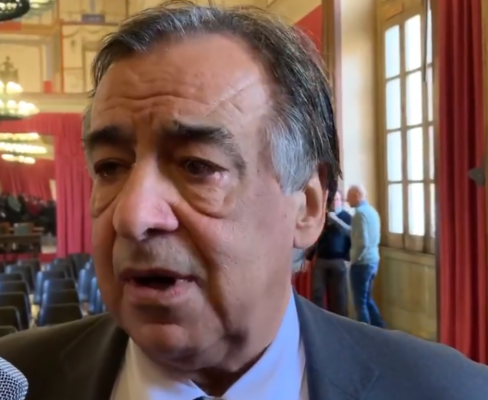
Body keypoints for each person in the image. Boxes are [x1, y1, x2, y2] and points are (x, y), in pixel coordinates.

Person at [0, 2, 487, 400]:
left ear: (308, 206)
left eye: (197, 166)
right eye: (110, 167)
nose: (132, 215)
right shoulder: (20, 379)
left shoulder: (452, 392)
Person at [329, 185, 384, 327]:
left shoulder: (359, 214)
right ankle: (381, 328)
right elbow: (353, 233)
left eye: (349, 196)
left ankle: (364, 334)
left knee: (360, 304)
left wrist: (353, 260)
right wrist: (337, 221)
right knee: (367, 300)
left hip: (362, 264)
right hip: (373, 261)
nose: (346, 200)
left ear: (357, 195)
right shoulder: (371, 211)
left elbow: (362, 243)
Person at [307, 190, 351, 316]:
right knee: (317, 293)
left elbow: (351, 237)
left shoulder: (346, 217)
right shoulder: (323, 216)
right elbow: (316, 238)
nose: (335, 202)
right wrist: (308, 257)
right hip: (321, 260)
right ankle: (318, 320)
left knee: (338, 296)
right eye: (332, 200)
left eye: (337, 200)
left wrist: (348, 258)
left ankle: (339, 323)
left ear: (341, 201)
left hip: (338, 260)